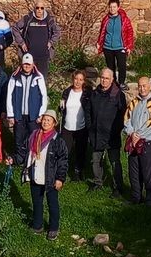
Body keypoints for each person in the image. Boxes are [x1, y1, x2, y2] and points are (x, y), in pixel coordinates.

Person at [19, 112, 68, 240]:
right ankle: (37, 225)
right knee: (37, 202)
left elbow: (63, 161)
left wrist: (60, 178)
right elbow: (24, 151)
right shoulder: (33, 135)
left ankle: (53, 228)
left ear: (54, 123)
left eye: (49, 120)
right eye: (44, 120)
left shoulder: (58, 140)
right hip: (35, 174)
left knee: (52, 203)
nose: (46, 122)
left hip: (50, 178)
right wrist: (13, 159)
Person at [123, 76, 151, 206]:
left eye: (144, 85)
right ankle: (136, 198)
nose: (142, 88)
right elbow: (126, 118)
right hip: (133, 141)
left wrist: (139, 135)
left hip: (147, 142)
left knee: (148, 171)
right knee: (134, 171)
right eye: (140, 86)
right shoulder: (134, 102)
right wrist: (132, 133)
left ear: (150, 86)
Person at [88, 67, 127, 197]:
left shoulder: (118, 94)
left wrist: (116, 130)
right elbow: (89, 112)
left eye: (107, 78)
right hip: (96, 133)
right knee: (95, 160)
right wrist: (90, 127)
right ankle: (97, 183)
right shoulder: (95, 93)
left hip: (112, 135)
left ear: (112, 80)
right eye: (102, 78)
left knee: (114, 161)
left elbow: (123, 115)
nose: (104, 80)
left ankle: (118, 187)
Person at [6, 53, 48, 156]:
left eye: (29, 64)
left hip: (33, 116)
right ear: (21, 64)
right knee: (18, 139)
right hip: (19, 115)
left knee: (33, 138)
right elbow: (9, 95)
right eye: (25, 64)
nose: (27, 66)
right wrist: (11, 115)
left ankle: (32, 160)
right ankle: (20, 160)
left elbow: (43, 95)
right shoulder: (14, 76)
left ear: (33, 64)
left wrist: (41, 114)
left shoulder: (38, 77)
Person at [59, 70, 93, 182]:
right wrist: (60, 107)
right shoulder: (67, 92)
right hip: (67, 127)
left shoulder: (87, 93)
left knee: (80, 151)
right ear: (72, 79)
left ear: (84, 81)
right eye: (76, 79)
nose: (77, 82)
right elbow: (62, 108)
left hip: (81, 127)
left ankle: (78, 172)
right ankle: (61, 173)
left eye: (80, 79)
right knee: (64, 151)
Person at [96, 0, 136, 88]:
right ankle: (112, 83)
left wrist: (129, 46)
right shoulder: (106, 19)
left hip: (120, 47)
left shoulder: (124, 19)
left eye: (114, 7)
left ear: (118, 7)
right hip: (107, 47)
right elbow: (102, 32)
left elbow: (130, 32)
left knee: (122, 65)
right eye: (110, 7)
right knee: (110, 67)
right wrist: (99, 42)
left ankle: (121, 83)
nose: (112, 9)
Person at [15, 0, 62, 76]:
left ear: (44, 9)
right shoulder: (27, 19)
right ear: (34, 9)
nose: (39, 10)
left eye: (42, 8)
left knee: (42, 80)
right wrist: (21, 43)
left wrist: (51, 42)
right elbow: (15, 28)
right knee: (29, 79)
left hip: (44, 56)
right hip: (29, 56)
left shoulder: (49, 20)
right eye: (37, 8)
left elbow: (58, 31)